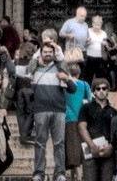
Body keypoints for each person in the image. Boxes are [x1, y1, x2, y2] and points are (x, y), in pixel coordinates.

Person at [29, 43, 71, 181]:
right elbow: (23, 70)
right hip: (40, 110)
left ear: (54, 53)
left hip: (59, 111)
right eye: (45, 51)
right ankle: (38, 173)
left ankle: (60, 174)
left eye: (50, 52)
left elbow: (73, 89)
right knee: (40, 143)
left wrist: (66, 79)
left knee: (59, 143)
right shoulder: (34, 68)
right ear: (40, 53)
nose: (48, 54)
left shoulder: (61, 67)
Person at [79, 74, 117, 181]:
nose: (101, 91)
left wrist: (111, 147)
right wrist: (92, 146)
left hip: (108, 152)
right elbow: (82, 128)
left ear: (108, 91)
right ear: (94, 92)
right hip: (90, 150)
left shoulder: (114, 112)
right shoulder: (85, 108)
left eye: (104, 88)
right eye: (98, 88)